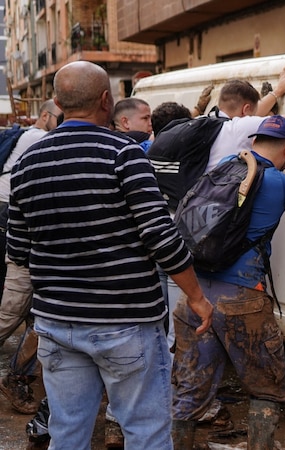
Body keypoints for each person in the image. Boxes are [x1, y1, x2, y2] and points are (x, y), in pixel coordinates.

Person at [6, 60, 213, 449]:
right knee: (145, 432)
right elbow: (159, 234)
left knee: (67, 432)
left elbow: (19, 251)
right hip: (126, 322)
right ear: (106, 100)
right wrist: (197, 297)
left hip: (56, 323)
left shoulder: (26, 165)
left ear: (56, 101)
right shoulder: (124, 153)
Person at [170, 115, 285, 450]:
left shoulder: (224, 166)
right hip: (242, 299)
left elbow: (264, 182)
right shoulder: (283, 185)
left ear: (254, 142)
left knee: (190, 388)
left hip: (194, 296)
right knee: (266, 386)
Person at [0, 99, 61, 416]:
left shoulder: (32, 139)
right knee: (11, 312)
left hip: (35, 246)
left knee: (37, 320)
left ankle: (18, 378)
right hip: (22, 236)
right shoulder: (41, 141)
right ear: (49, 116)